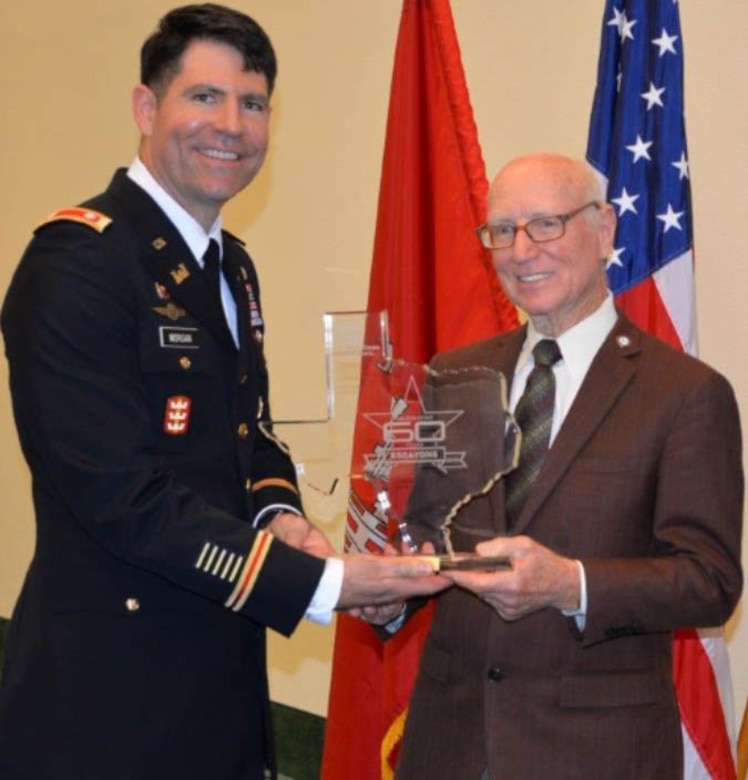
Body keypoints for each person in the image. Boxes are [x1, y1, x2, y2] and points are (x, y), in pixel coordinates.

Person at [0, 5, 447, 779]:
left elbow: (249, 434)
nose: (231, 126)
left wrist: (285, 520)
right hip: (107, 703)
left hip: (220, 673)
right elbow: (122, 498)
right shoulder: (78, 264)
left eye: (253, 103)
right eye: (204, 97)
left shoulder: (231, 266)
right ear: (147, 108)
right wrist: (325, 583)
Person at [393, 153, 743, 780]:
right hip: (450, 744)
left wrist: (570, 584)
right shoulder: (455, 374)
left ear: (605, 229)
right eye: (501, 231)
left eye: (545, 224)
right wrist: (383, 591)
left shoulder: (686, 393)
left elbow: (710, 581)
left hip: (596, 753)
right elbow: (426, 532)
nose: (521, 250)